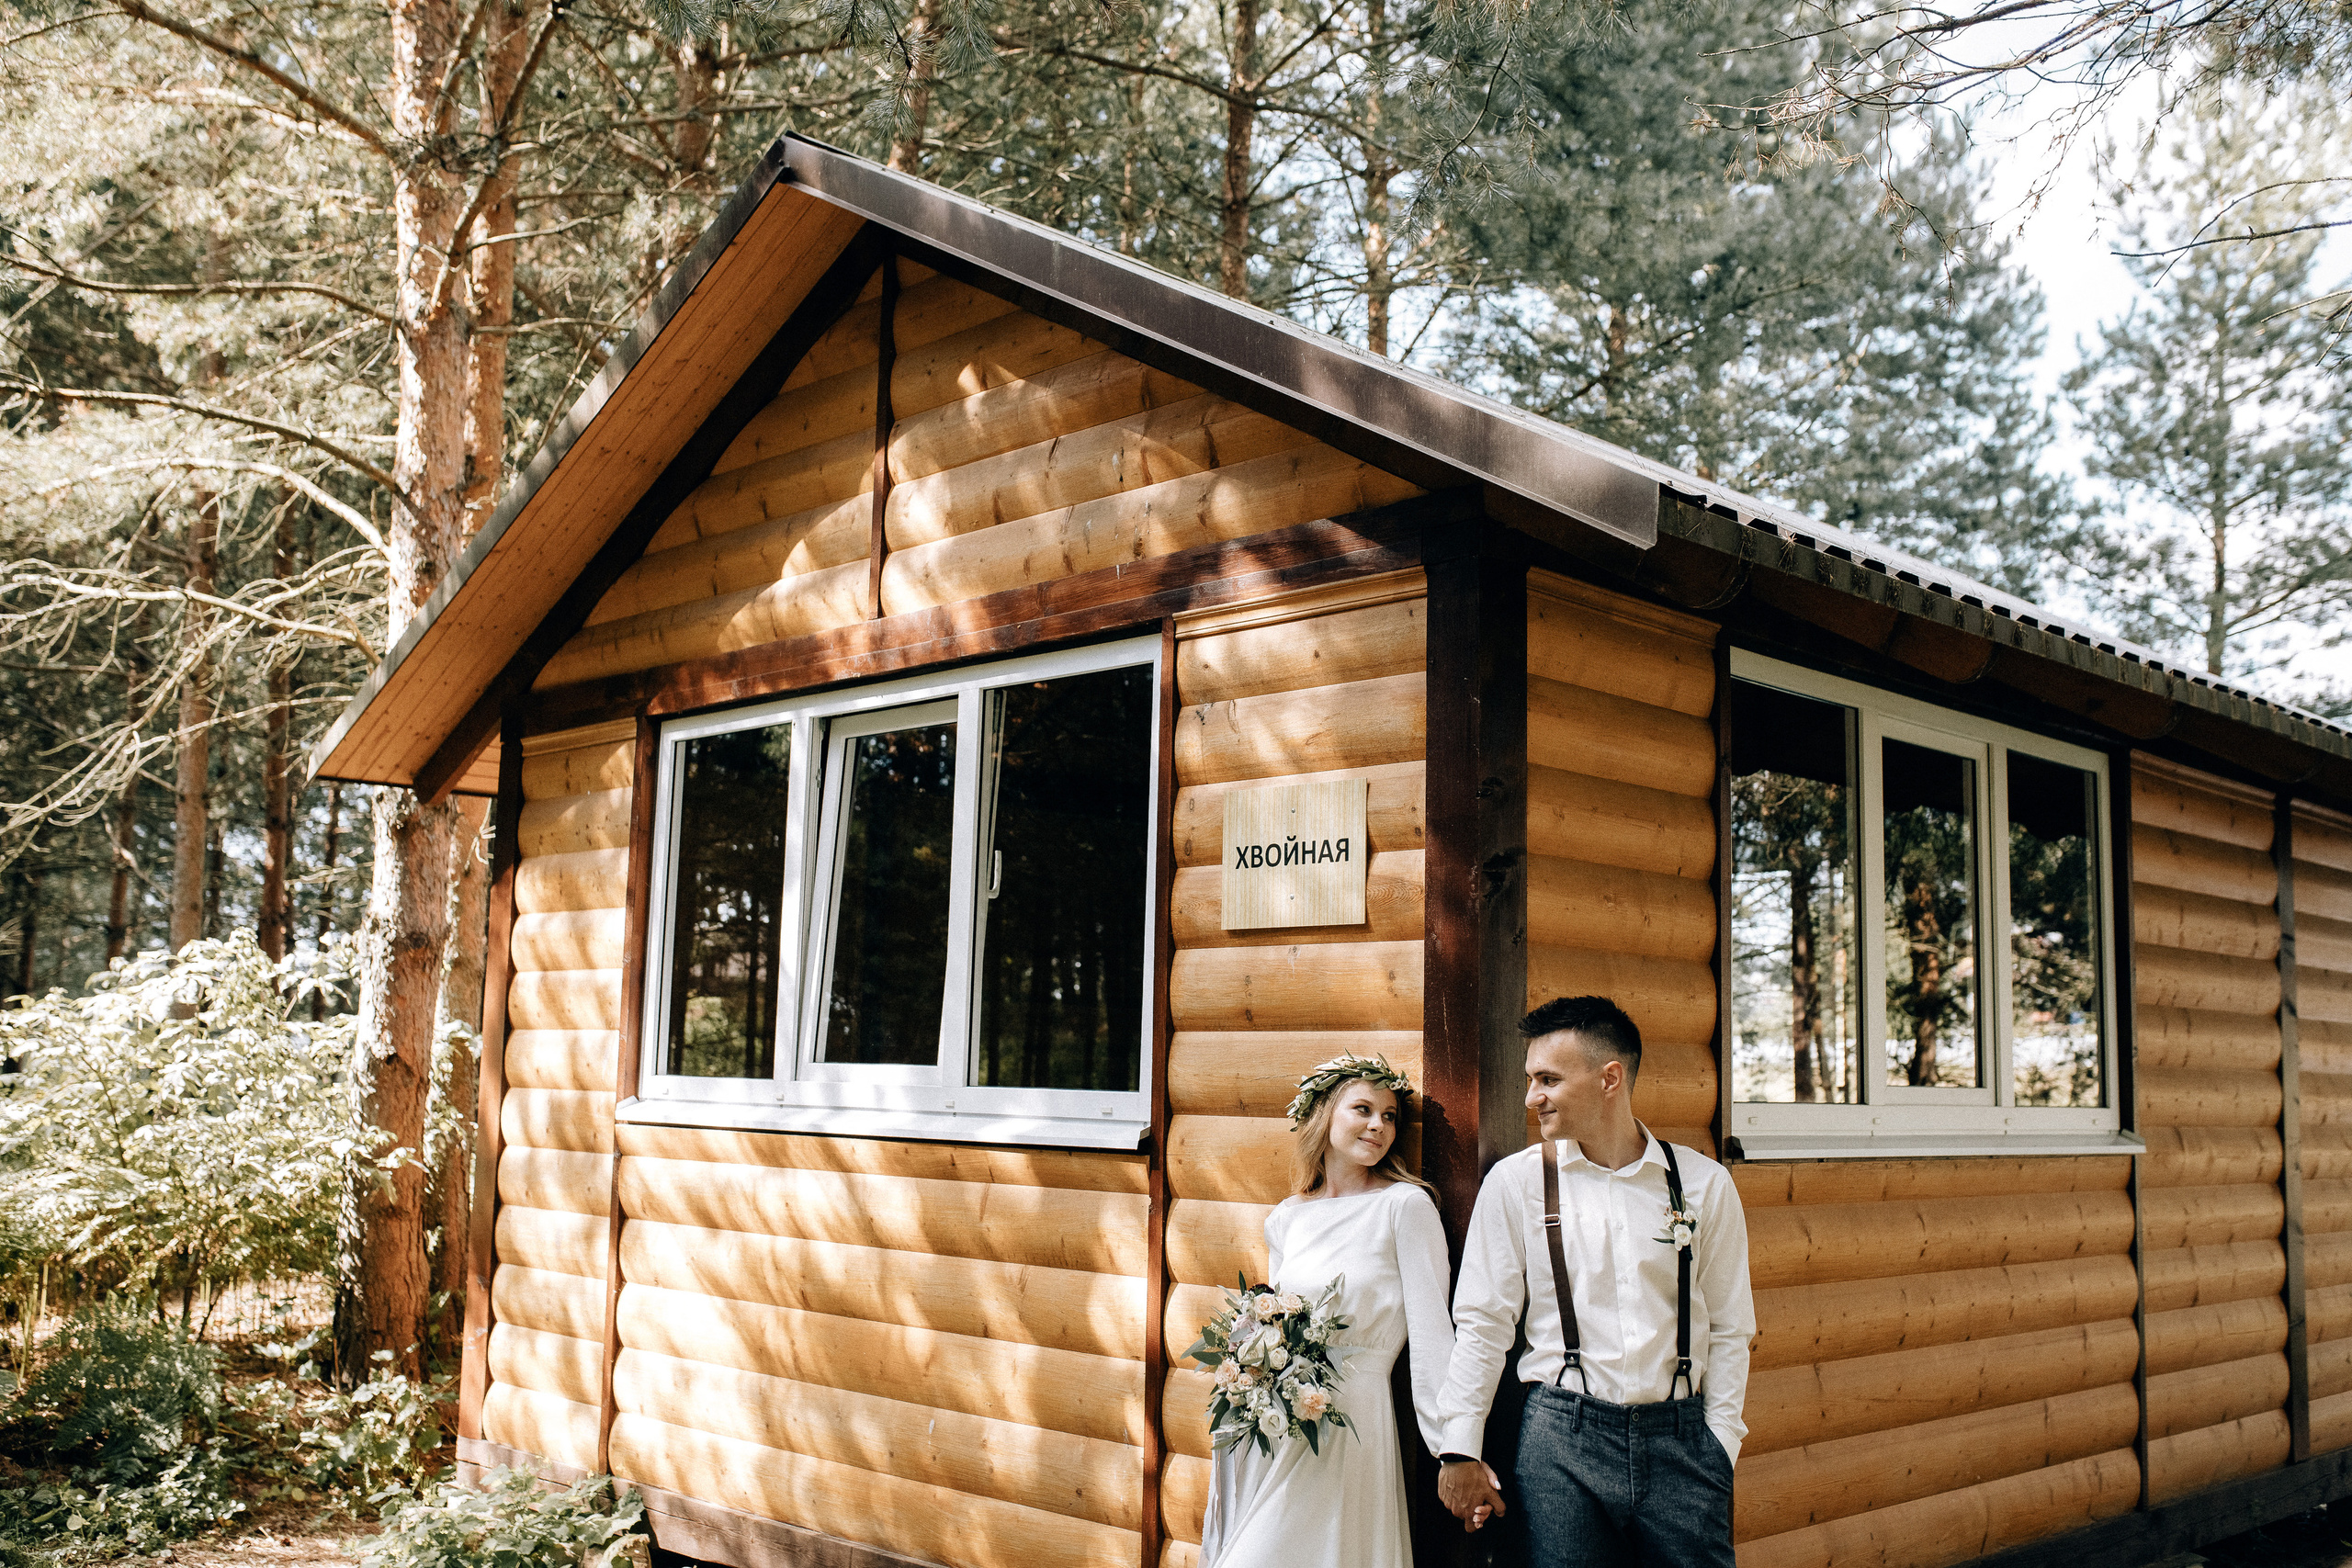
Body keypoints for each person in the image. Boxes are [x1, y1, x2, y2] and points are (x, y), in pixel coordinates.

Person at [1434, 996, 1754, 1567]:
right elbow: (1482, 1323)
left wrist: (1720, 1442)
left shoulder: (1703, 1184)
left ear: (1610, 1078)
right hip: (1563, 1443)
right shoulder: (1516, 1183)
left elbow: (1731, 1325)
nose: (1532, 1096)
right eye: (1531, 1080)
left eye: (1548, 1079)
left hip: (1683, 1443)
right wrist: (1458, 1445)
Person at [1199, 1055, 1464, 1567]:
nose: (1378, 1125)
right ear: (1323, 1115)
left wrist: (1453, 1448)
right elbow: (1276, 1321)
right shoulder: (1287, 1218)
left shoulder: (1405, 1207)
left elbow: (1434, 1336)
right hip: (1282, 1422)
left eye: (1390, 1116)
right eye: (1363, 1109)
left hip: (1353, 1422)